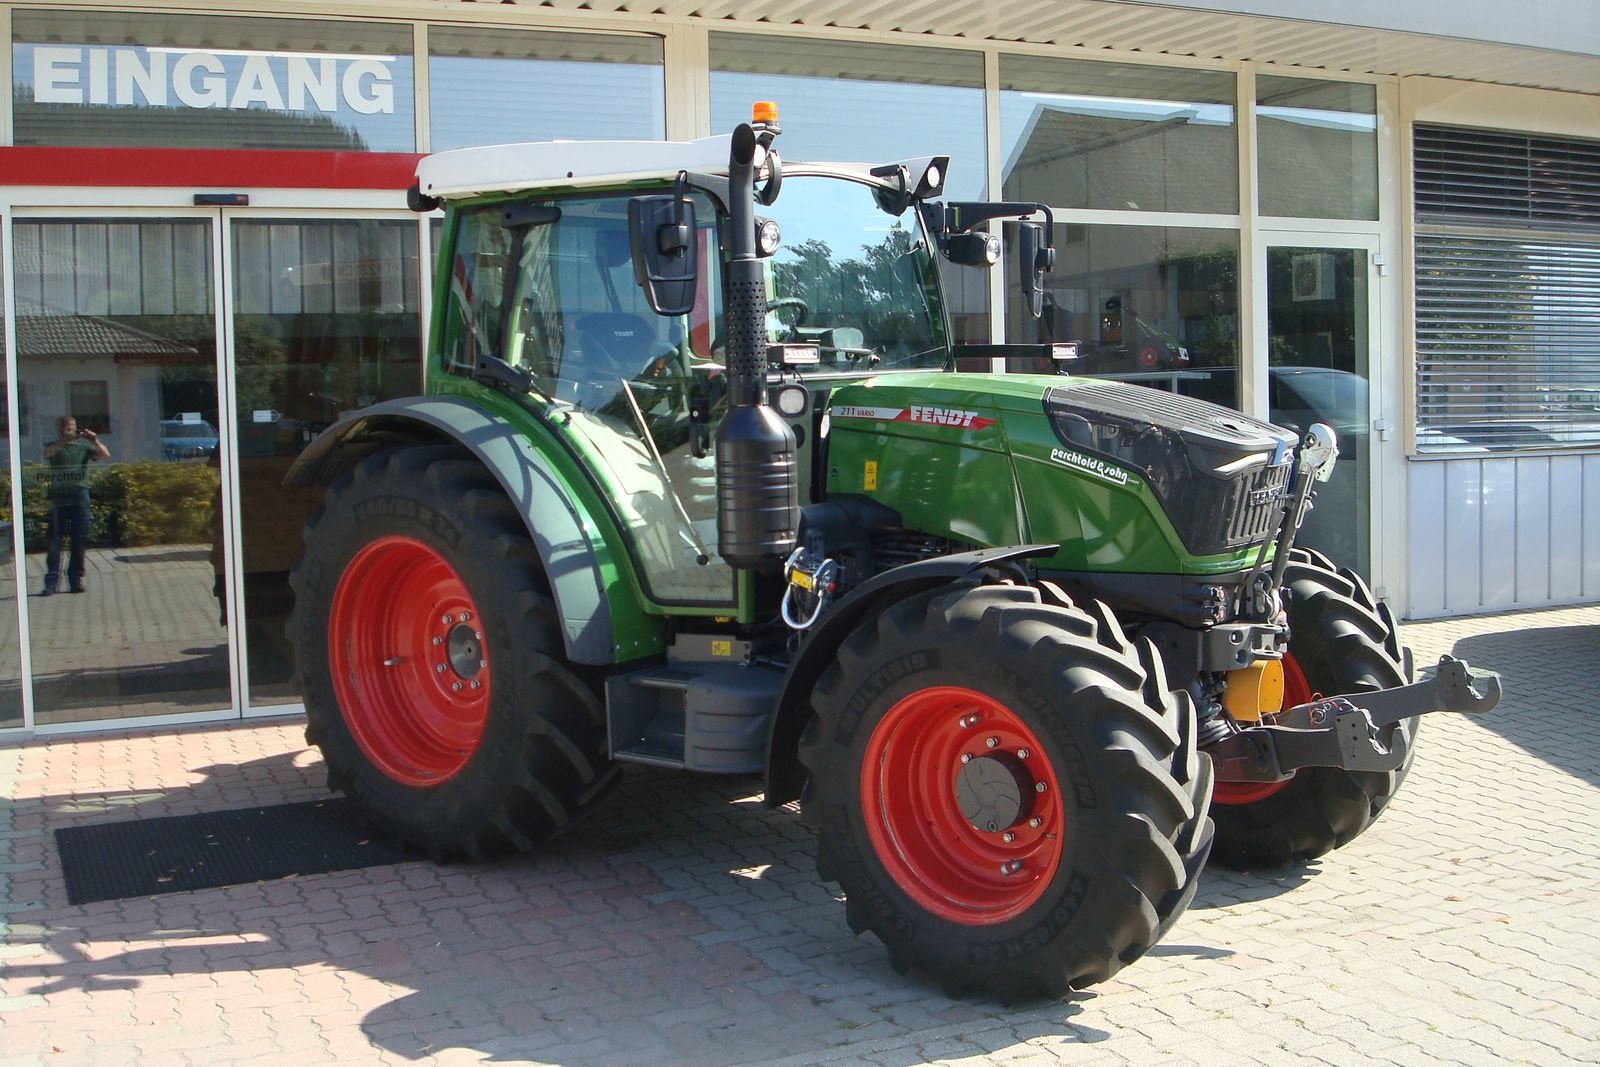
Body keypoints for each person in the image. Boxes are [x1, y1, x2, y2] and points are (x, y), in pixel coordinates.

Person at [41, 415, 109, 596]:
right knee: (55, 541)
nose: (70, 431)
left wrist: (94, 440)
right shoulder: (54, 446)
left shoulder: (82, 448)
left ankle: (75, 579)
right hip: (60, 498)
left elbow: (104, 455)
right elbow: (46, 454)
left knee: (79, 541)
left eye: (73, 428)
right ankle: (51, 582)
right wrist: (63, 441)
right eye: (67, 428)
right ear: (60, 429)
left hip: (79, 497)